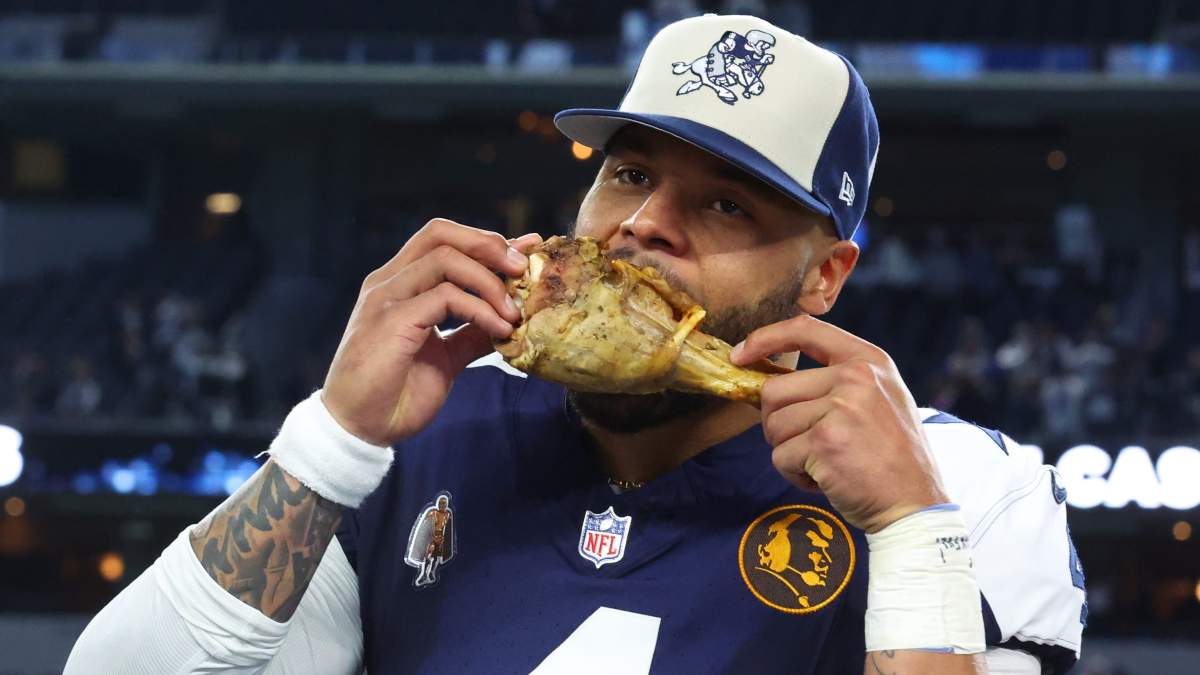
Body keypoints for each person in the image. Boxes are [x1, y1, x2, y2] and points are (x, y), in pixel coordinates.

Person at [65, 14, 1085, 675]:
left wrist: (909, 533)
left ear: (825, 278)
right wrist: (332, 439)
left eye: (726, 204)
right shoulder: (412, 443)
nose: (643, 226)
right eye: (630, 175)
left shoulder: (961, 488)